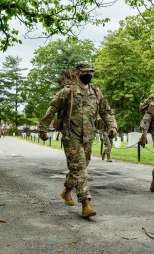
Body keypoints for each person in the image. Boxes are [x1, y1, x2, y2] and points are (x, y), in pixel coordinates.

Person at [39, 61, 118, 218]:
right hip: (71, 136)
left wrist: (112, 126)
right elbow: (52, 108)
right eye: (85, 72)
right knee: (81, 168)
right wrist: (43, 128)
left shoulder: (96, 93)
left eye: (90, 72)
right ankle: (86, 203)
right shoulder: (68, 92)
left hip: (88, 137)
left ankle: (66, 191)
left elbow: (106, 111)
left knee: (78, 169)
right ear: (77, 73)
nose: (88, 74)